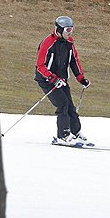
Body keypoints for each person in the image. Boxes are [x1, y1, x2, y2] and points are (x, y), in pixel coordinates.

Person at [33, 15, 91, 145]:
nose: (70, 33)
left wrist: (81, 78)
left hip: (62, 79)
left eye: (71, 30)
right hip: (46, 80)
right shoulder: (47, 43)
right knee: (62, 104)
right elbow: (40, 65)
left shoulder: (69, 43)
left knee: (70, 106)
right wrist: (52, 78)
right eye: (67, 30)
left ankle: (75, 132)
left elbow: (74, 61)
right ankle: (63, 135)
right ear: (59, 29)